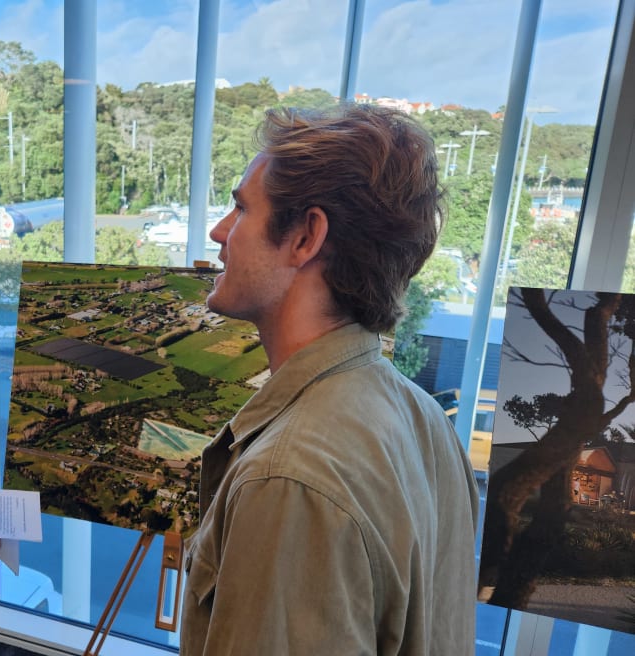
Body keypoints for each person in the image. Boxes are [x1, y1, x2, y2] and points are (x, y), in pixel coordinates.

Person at [180, 104, 479, 655]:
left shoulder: (288, 477)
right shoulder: (423, 416)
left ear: (305, 237)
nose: (221, 232)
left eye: (241, 209)